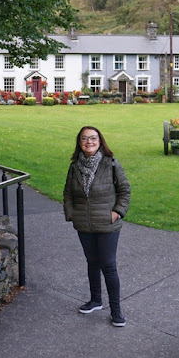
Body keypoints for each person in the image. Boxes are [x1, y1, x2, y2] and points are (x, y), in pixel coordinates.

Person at [63, 126, 131, 327]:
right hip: (83, 223)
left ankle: (116, 311)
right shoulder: (75, 166)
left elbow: (125, 190)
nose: (89, 142)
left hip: (107, 223)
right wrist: (71, 213)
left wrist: (117, 212)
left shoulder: (110, 164)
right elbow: (68, 193)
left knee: (108, 265)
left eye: (93, 138)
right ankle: (95, 300)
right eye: (84, 139)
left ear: (100, 141)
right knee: (92, 262)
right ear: (79, 143)